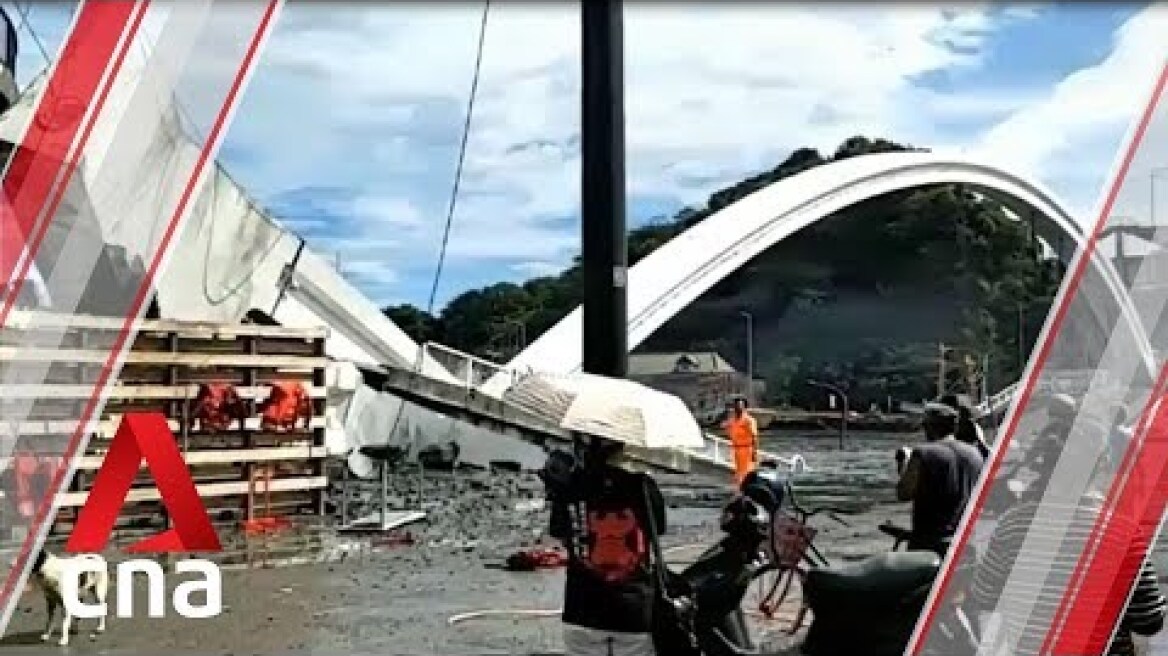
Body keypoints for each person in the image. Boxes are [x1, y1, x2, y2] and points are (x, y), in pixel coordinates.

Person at [969, 416, 1166, 656]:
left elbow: (984, 597)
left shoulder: (1011, 525)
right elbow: (1149, 621)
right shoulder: (1121, 533)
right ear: (1103, 463)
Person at [546, 435, 667, 656]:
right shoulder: (643, 486)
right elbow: (658, 530)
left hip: (582, 610)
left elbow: (559, 532)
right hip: (634, 611)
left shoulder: (571, 487)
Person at [896, 401, 986, 554]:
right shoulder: (975, 454)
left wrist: (904, 463)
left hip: (930, 545)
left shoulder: (923, 453)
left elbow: (904, 493)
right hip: (965, 543)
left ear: (927, 427)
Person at [722, 397, 759, 486]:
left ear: (744, 407)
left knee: (745, 472)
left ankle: (744, 491)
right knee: (738, 472)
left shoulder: (749, 420)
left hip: (746, 449)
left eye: (740, 406)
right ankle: (740, 489)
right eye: (736, 406)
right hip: (736, 449)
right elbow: (724, 425)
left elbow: (754, 436)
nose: (738, 408)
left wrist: (754, 452)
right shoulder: (733, 420)